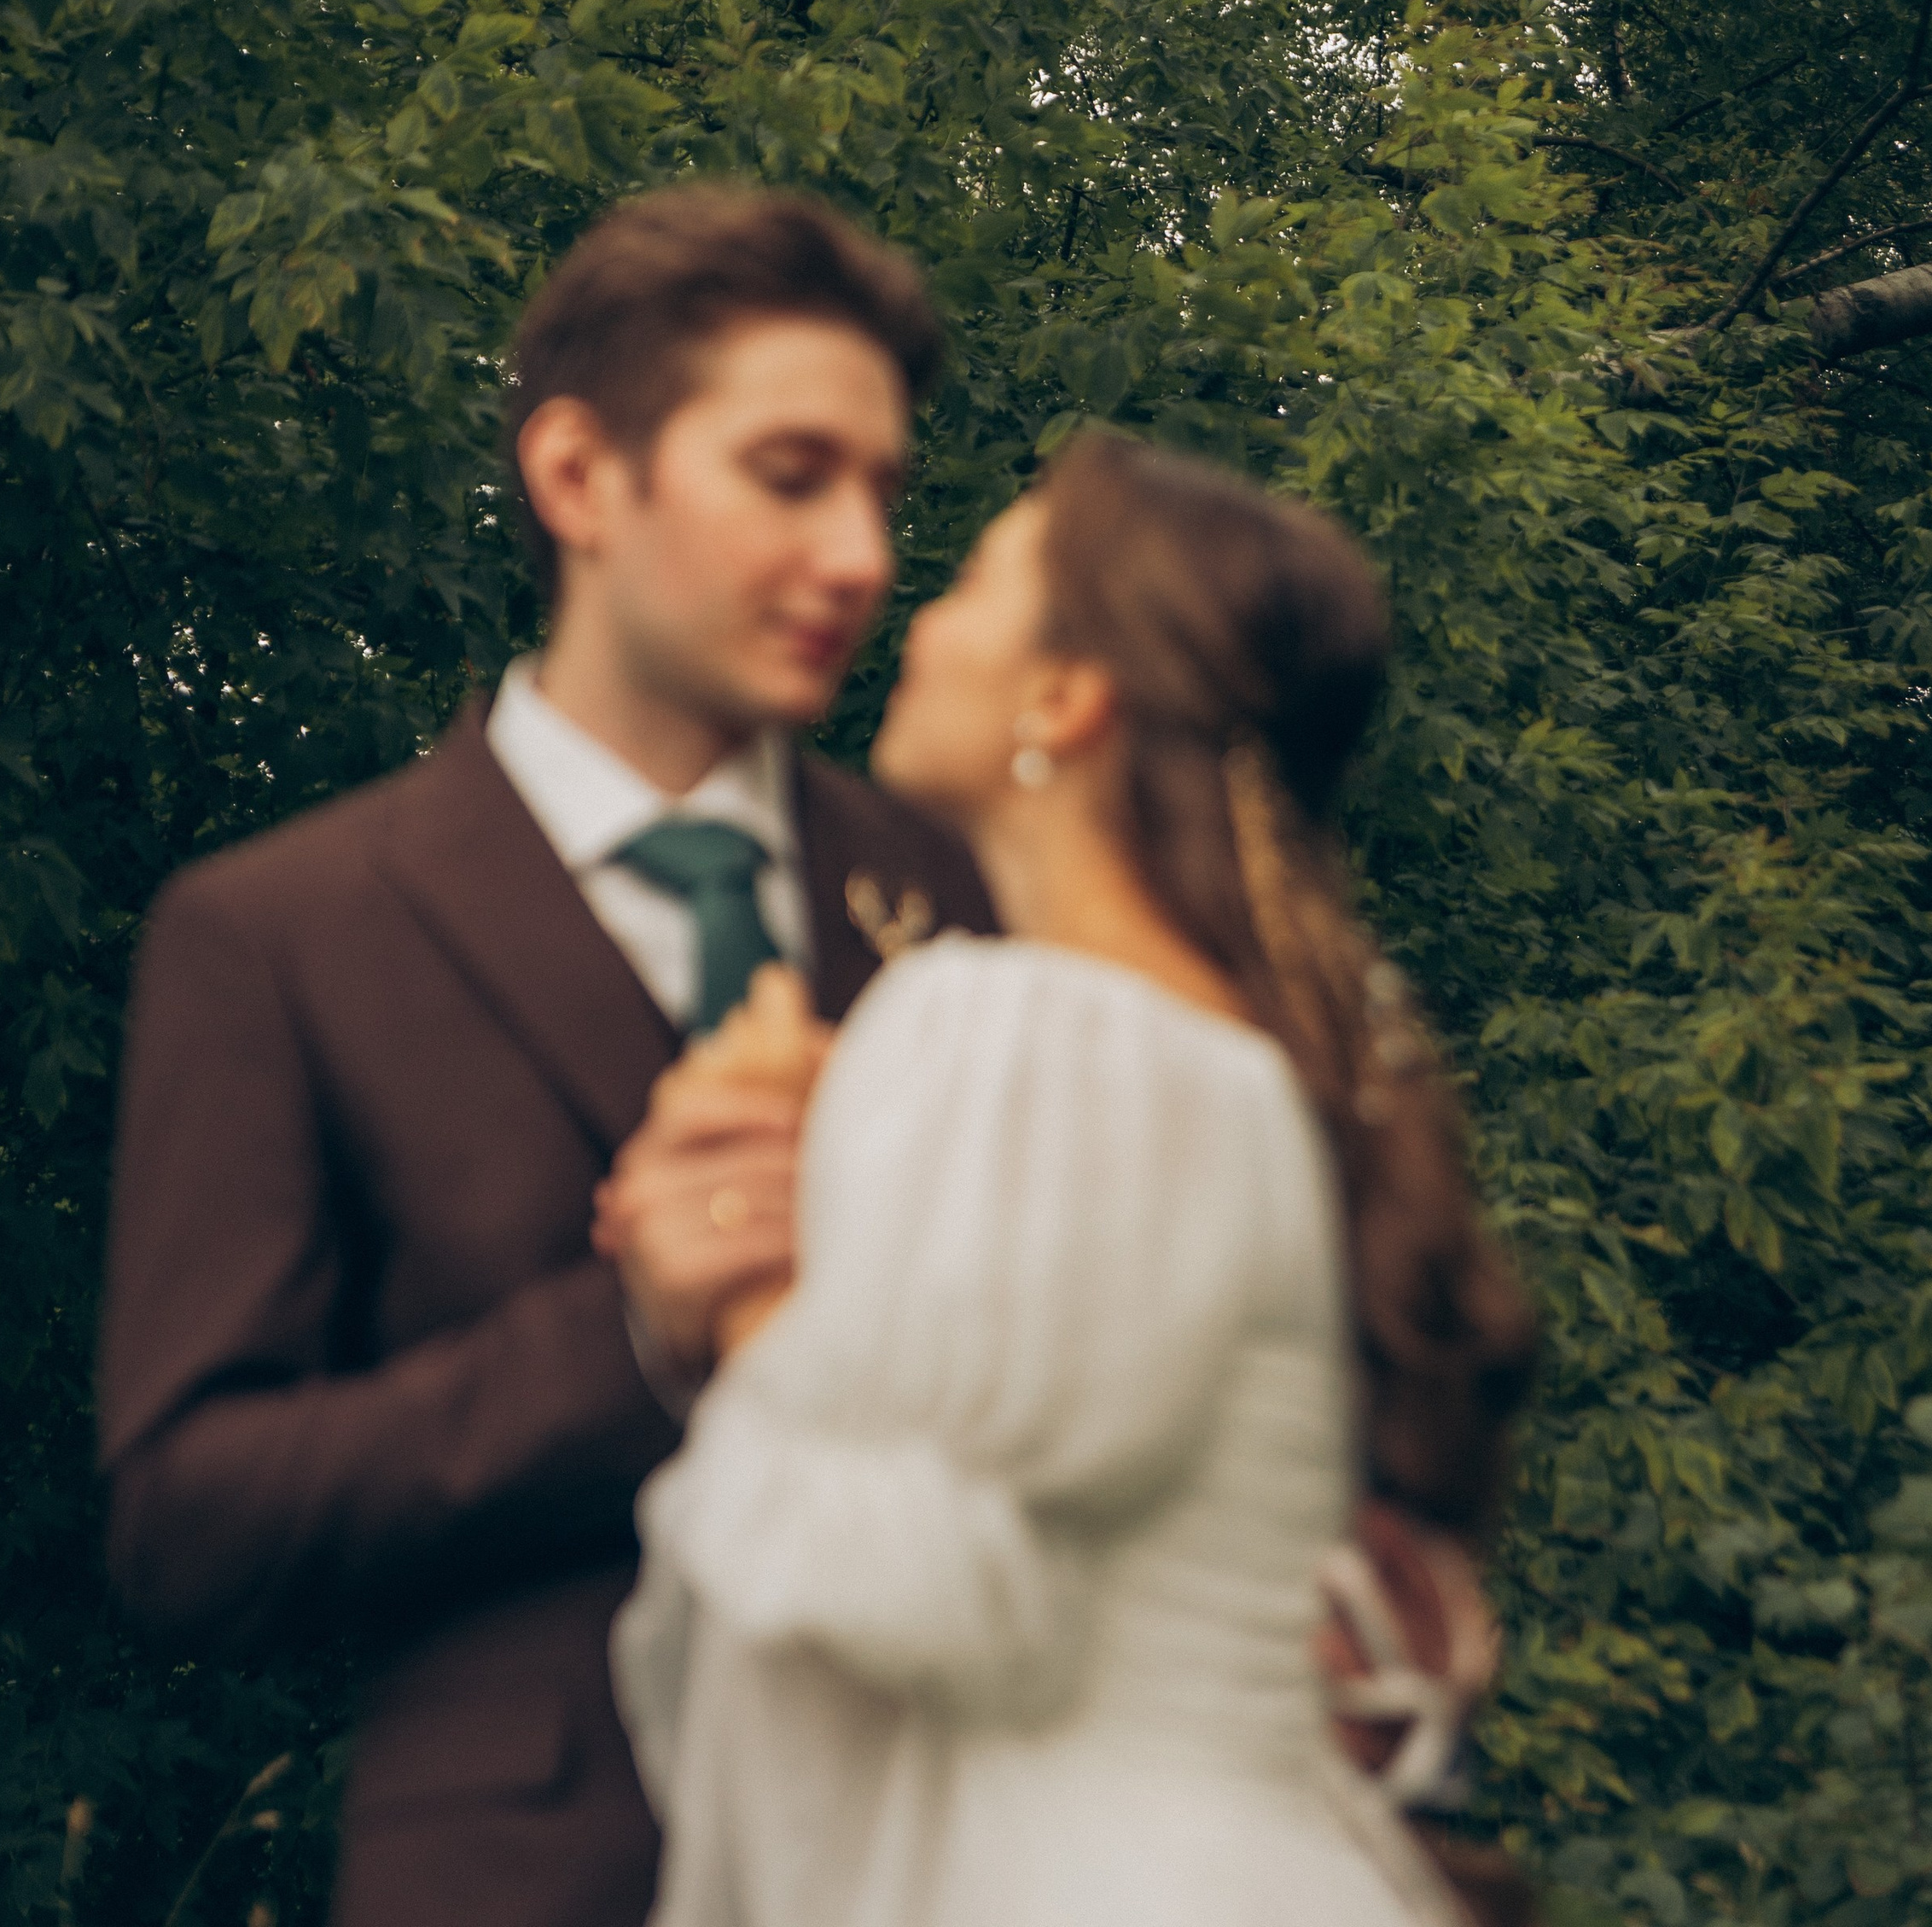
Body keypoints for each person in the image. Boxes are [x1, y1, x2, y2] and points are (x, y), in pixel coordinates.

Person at [96, 187, 992, 1927]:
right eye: (792, 475)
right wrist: (630, 1338)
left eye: (884, 491)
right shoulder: (280, 934)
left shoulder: (939, 893)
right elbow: (185, 1527)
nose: (862, 557)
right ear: (579, 477)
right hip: (542, 1867)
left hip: (956, 1844)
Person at [606, 429, 1537, 1927]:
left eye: (977, 583)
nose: (918, 614)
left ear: (1068, 696)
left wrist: (732, 1280)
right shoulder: (1231, 1069)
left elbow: (914, 1580)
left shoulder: (1020, 1025)